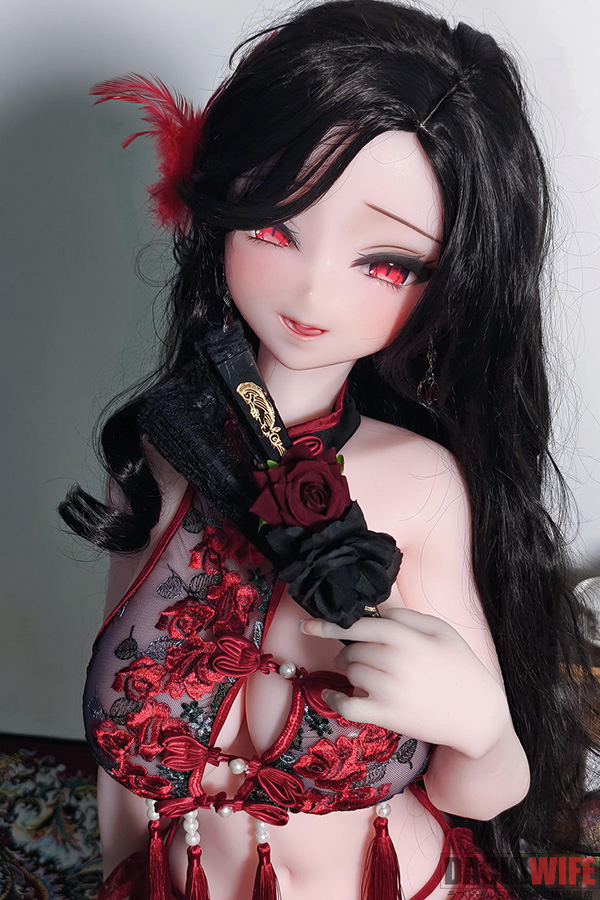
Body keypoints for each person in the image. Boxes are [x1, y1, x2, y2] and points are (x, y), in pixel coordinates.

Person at [59, 2, 600, 898]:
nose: (312, 290)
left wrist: (481, 725)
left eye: (386, 262)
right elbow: (122, 766)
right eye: (276, 227)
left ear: (449, 281)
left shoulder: (417, 482)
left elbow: (479, 792)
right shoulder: (156, 459)